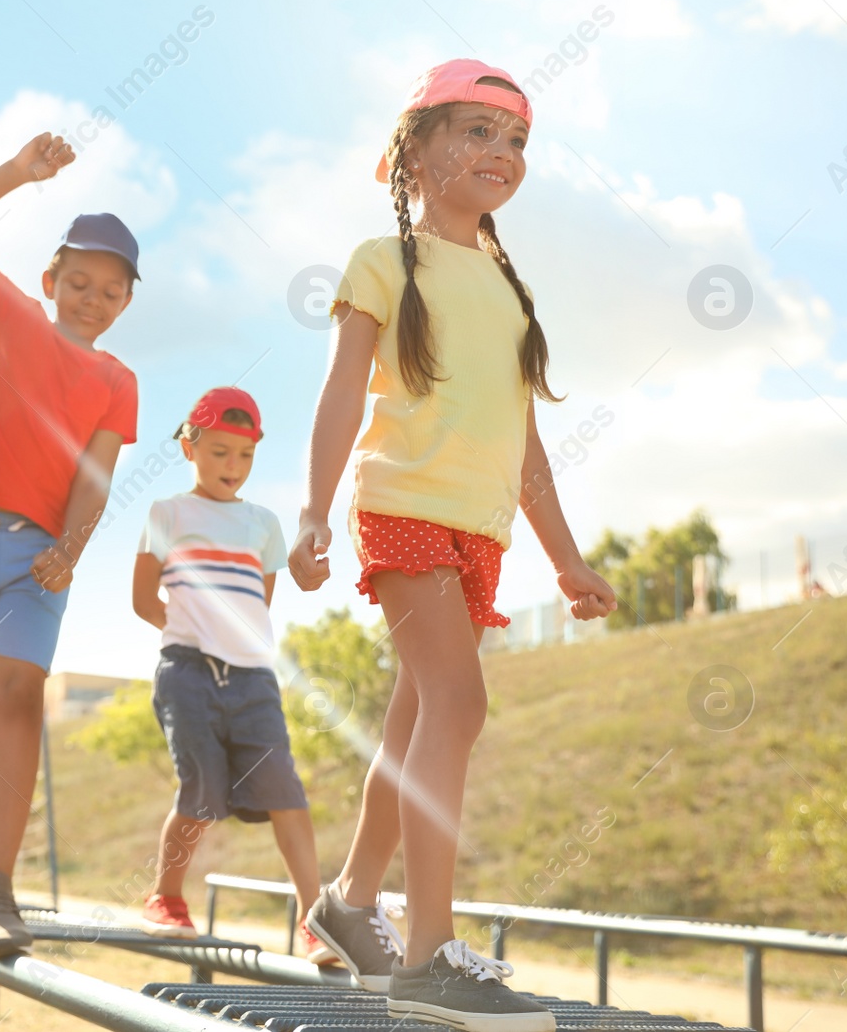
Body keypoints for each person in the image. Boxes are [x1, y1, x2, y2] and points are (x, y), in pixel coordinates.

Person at [289, 59, 617, 1030]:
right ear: (414, 148)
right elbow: (343, 390)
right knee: (457, 701)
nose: (499, 154)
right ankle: (428, 952)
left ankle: (349, 902)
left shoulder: (509, 293)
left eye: (514, 140)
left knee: (415, 717)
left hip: (481, 532)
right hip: (401, 506)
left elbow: (526, 443)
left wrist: (564, 556)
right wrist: (312, 509)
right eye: (474, 131)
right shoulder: (383, 262)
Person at [0, 133, 140, 956]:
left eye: (110, 290)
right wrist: (20, 173)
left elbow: (96, 474)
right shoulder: (14, 316)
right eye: (78, 282)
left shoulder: (118, 379)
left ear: (124, 302)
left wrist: (73, 548)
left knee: (18, 696)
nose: (92, 297)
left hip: (40, 554)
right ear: (50, 283)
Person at [132, 388, 338, 967]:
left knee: (287, 795)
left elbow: (259, 601)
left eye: (244, 455)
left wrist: (232, 640)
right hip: (187, 674)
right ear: (188, 447)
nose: (232, 466)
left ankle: (315, 921)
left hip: (253, 681)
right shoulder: (167, 514)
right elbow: (142, 598)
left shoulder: (263, 523)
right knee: (200, 791)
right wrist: (190, 631)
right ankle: (166, 897)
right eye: (220, 451)